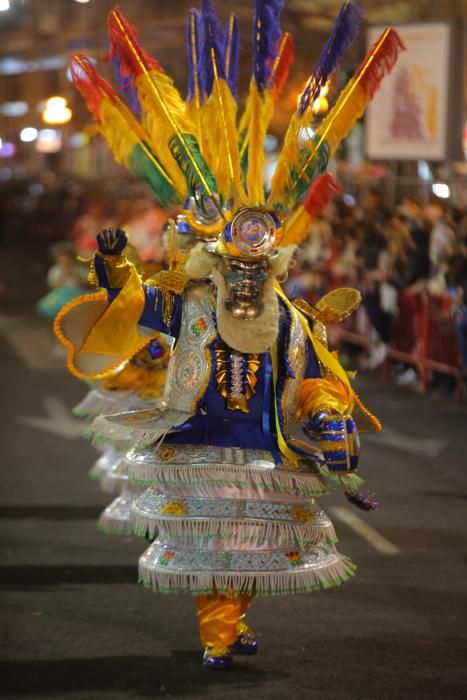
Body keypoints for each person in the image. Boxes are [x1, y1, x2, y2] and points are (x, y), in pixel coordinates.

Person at [54, 1, 402, 669]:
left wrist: (327, 414)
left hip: (263, 453)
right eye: (233, 262)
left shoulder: (291, 317)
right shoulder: (185, 305)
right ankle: (217, 634)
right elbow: (131, 307)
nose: (244, 275)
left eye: (256, 263)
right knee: (219, 547)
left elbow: (313, 380)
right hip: (200, 450)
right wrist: (113, 262)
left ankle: (231, 623)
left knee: (250, 546)